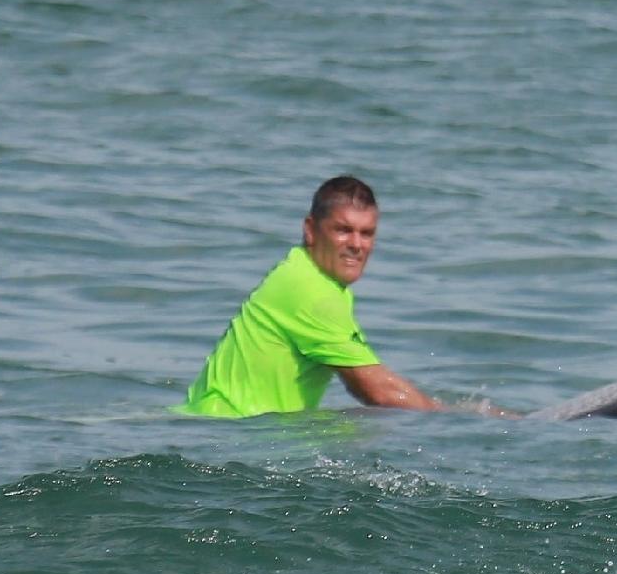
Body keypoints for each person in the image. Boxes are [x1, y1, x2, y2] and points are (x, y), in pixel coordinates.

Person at [179, 175, 444, 417]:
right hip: (228, 434)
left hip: (220, 426)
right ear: (310, 229)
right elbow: (377, 391)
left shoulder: (308, 276)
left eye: (367, 233)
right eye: (343, 230)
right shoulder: (309, 292)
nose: (356, 244)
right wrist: (453, 419)